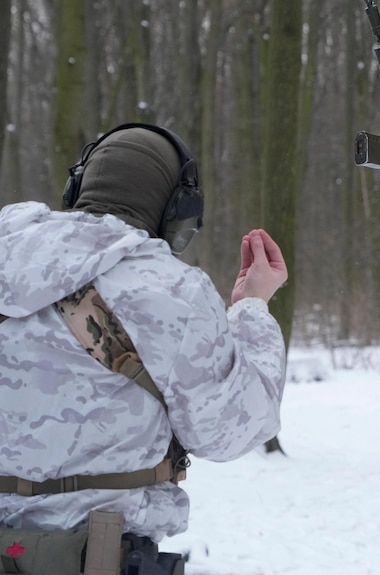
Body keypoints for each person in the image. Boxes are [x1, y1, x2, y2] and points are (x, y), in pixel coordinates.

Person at [0, 123, 288, 573]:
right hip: (99, 555)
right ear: (177, 213)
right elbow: (235, 430)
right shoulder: (172, 293)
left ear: (76, 188)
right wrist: (252, 308)